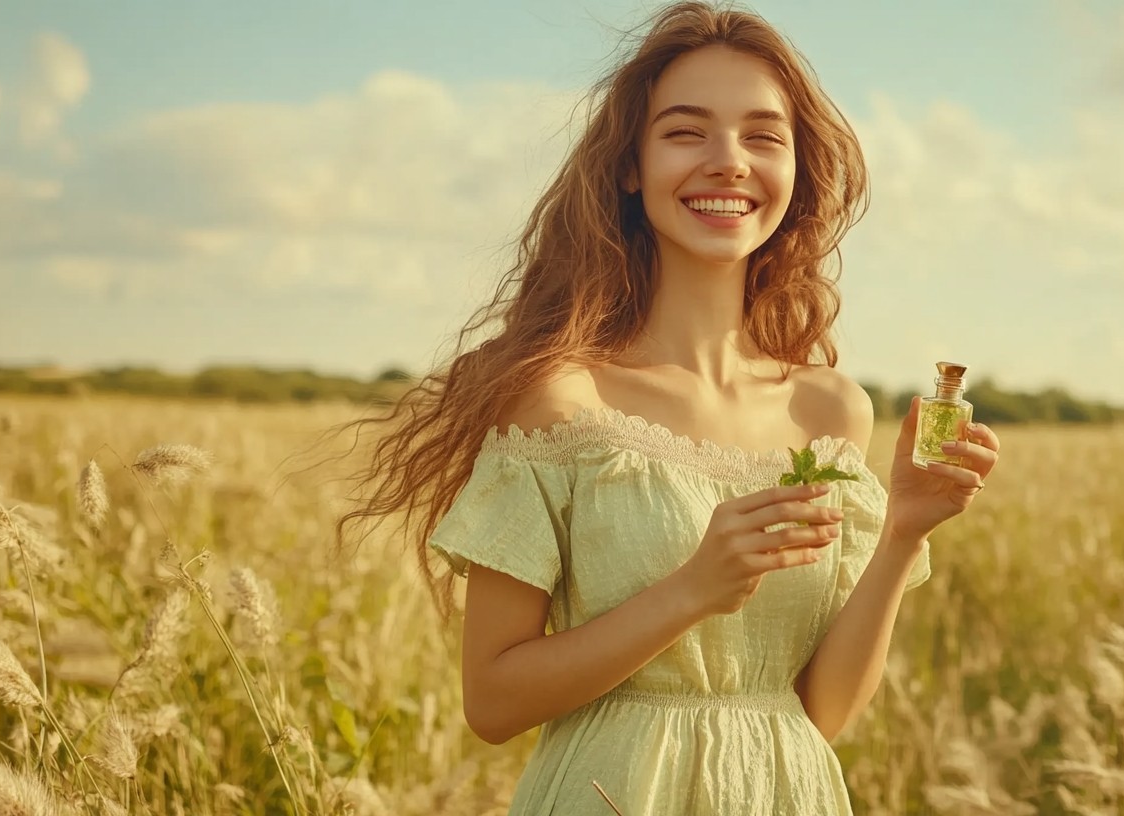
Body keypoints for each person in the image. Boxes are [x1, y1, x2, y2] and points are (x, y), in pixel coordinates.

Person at [337, 2, 1000, 812]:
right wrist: (691, 589)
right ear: (629, 166)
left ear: (796, 174)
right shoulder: (561, 401)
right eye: (687, 132)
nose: (729, 162)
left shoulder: (830, 413)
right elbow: (493, 701)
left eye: (763, 136)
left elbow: (819, 712)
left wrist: (900, 534)